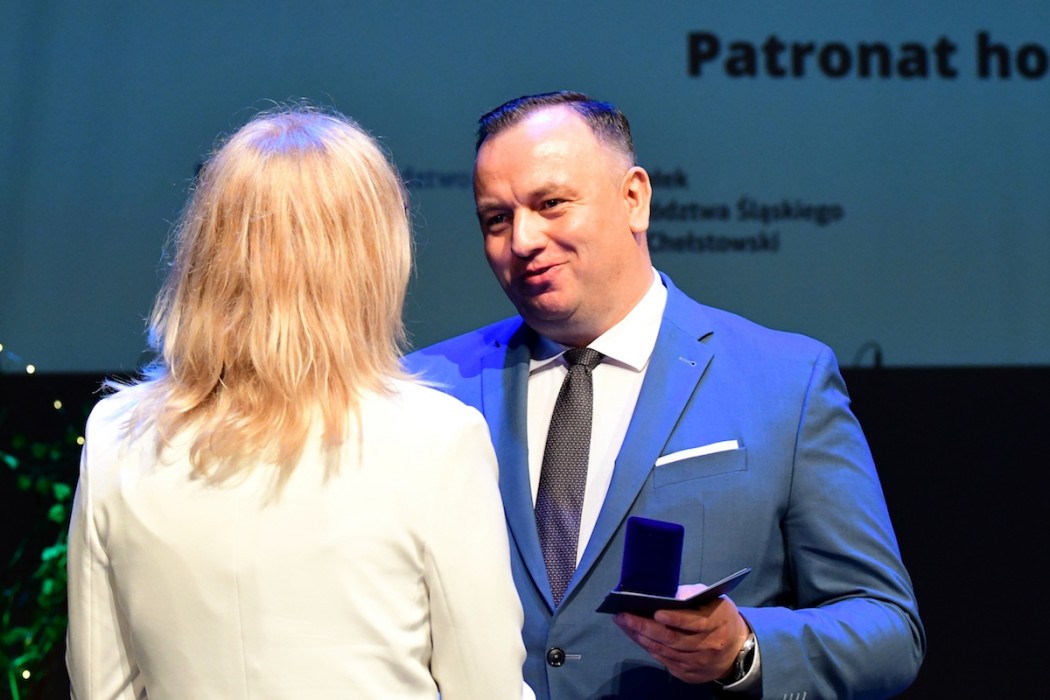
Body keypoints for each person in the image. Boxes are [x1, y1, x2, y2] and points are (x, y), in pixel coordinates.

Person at [406, 92, 925, 700]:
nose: (522, 240)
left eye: (550, 204)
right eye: (496, 219)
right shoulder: (423, 390)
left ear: (634, 198)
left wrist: (743, 649)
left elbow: (888, 628)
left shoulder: (785, 381)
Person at [65, 107, 528, 699]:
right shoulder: (437, 440)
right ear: (372, 257)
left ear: (207, 247)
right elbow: (486, 690)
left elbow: (99, 686)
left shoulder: (117, 436)